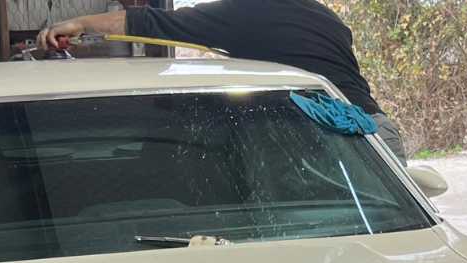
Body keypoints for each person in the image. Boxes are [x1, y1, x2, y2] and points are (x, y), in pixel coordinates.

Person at [36, 0, 407, 160]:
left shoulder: (248, 13)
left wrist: (82, 24)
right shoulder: (327, 18)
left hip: (334, 145)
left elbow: (152, 22)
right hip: (378, 135)